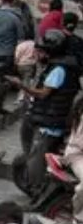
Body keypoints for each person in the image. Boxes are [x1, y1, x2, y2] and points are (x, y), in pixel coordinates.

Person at [14, 30, 79, 196]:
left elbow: (43, 94)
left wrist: (22, 86)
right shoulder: (65, 66)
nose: (38, 54)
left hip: (51, 122)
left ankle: (37, 192)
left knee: (37, 159)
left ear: (51, 51)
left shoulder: (59, 69)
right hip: (54, 117)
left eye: (41, 51)